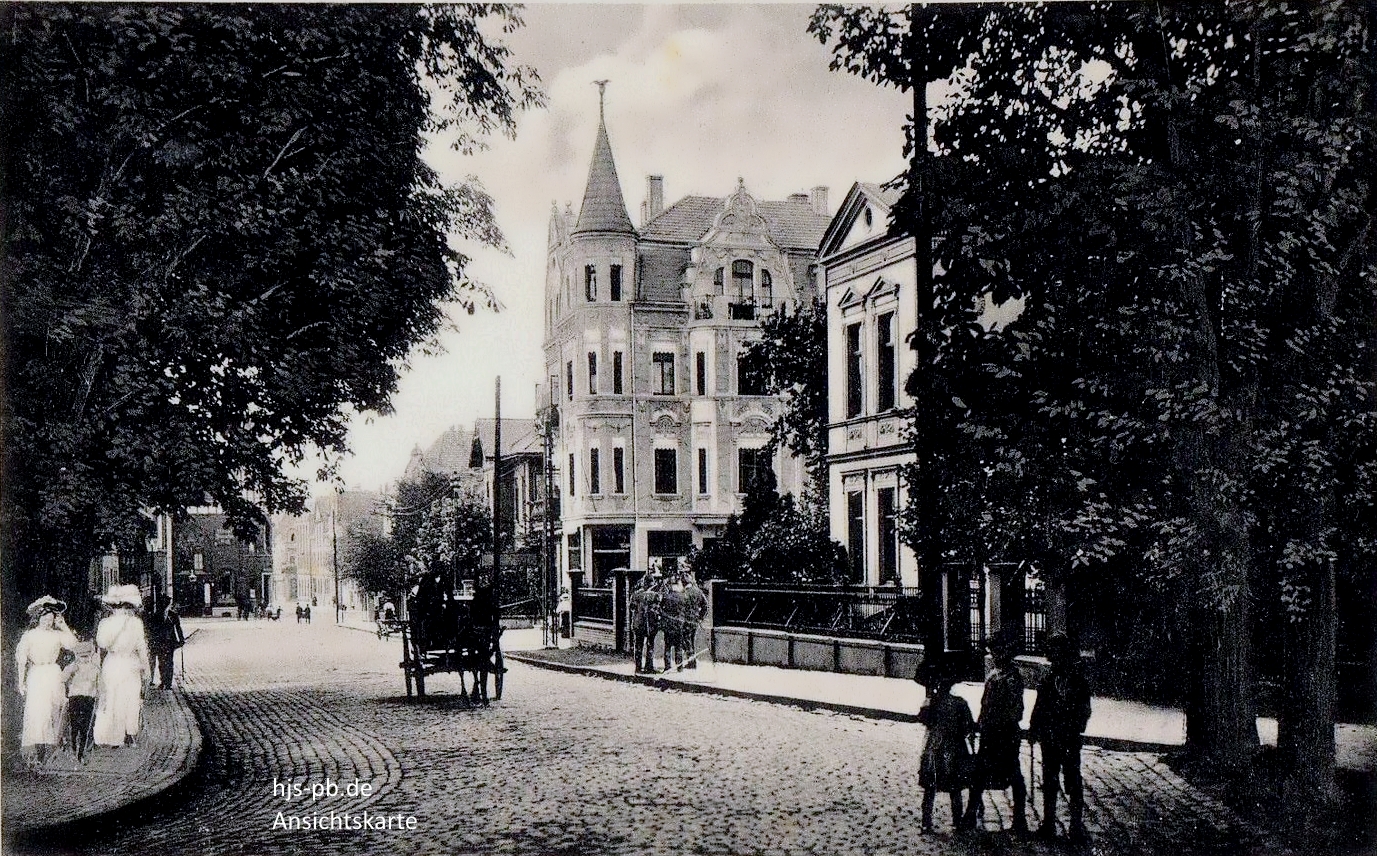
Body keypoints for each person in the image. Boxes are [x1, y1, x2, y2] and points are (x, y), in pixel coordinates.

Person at [1029, 632, 1092, 841]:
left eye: (1058, 654)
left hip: (1069, 737)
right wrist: (1033, 728)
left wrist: (1077, 727)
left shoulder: (1078, 680)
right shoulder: (1048, 679)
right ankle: (1048, 824)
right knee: (1049, 780)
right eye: (1052, 655)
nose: (1055, 659)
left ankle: (1075, 825)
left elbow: (1084, 708)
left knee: (1073, 780)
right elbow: (1039, 707)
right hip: (1049, 738)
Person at [964, 635, 1028, 834]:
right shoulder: (993, 674)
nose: (995, 655)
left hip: (1006, 733)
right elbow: (985, 704)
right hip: (989, 732)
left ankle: (1019, 818)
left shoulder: (1013, 677)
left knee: (1013, 774)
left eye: (998, 651)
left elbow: (1017, 710)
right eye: (993, 651)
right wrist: (979, 723)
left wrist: (1000, 720)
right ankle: (970, 814)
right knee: (979, 773)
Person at [15, 596, 79, 769]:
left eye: (51, 619)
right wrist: (21, 682)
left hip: (53, 674)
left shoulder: (57, 635)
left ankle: (52, 749)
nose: (48, 622)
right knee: (38, 712)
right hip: (37, 675)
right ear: (38, 617)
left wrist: (63, 625)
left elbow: (73, 645)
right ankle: (37, 751)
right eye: (45, 618)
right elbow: (21, 659)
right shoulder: (30, 636)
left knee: (54, 710)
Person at [917, 662, 976, 832]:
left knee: (930, 787)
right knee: (954, 787)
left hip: (934, 747)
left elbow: (923, 719)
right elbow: (968, 727)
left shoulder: (931, 702)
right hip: (954, 748)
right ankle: (957, 821)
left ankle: (926, 822)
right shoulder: (960, 703)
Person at [93, 584, 151, 747]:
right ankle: (121, 734)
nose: (121, 610)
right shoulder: (119, 623)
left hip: (122, 663)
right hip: (121, 663)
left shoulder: (126, 623)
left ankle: (121, 734)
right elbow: (103, 643)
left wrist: (146, 669)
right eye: (119, 607)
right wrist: (147, 671)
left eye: (123, 607)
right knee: (121, 698)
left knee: (121, 698)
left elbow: (140, 647)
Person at [63, 636, 101, 762]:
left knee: (86, 726)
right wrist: (70, 671)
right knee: (74, 725)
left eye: (86, 656)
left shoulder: (95, 669)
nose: (84, 659)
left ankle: (82, 753)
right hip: (74, 698)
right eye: (81, 656)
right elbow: (62, 679)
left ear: (90, 655)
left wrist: (100, 699)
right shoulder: (72, 667)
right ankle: (73, 748)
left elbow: (100, 686)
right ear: (76, 655)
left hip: (89, 699)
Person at [149, 598, 186, 689]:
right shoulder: (157, 615)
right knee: (161, 663)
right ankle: (162, 682)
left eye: (166, 603)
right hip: (160, 642)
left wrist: (181, 640)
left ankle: (168, 683)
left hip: (170, 642)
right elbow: (153, 630)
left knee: (169, 662)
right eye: (164, 603)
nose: (165, 605)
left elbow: (178, 628)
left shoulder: (173, 615)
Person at [680, 576, 708, 669]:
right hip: (695, 621)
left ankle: (692, 662)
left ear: (683, 583)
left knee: (686, 641)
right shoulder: (698, 591)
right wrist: (700, 617)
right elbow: (705, 605)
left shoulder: (684, 593)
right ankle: (691, 661)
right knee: (691, 640)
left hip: (686, 620)